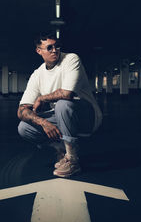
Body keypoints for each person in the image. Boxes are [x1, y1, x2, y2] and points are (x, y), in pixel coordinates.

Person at [17, 32, 102, 178]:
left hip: (87, 116)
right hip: (61, 117)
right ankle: (61, 149)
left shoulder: (71, 59)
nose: (55, 50)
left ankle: (73, 160)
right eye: (49, 47)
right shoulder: (37, 75)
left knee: (63, 104)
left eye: (57, 46)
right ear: (39, 51)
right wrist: (44, 122)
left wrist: (42, 98)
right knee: (24, 128)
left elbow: (67, 93)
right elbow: (21, 110)